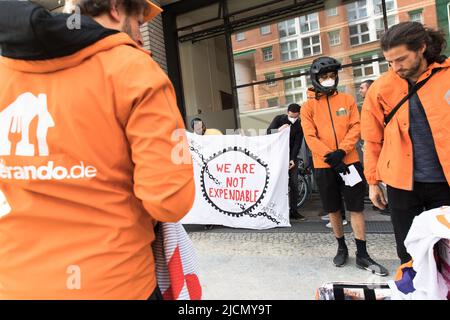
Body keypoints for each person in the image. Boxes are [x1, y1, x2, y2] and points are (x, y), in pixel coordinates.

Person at [0, 0, 195, 299]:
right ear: (116, 8)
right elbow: (169, 201)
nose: (141, 36)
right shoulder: (135, 69)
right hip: (115, 285)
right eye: (139, 21)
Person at [361, 21, 450, 264]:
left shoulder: (447, 76)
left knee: (447, 251)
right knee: (408, 251)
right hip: (402, 184)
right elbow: (371, 139)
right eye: (389, 61)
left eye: (401, 59)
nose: (395, 67)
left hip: (445, 183)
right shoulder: (380, 89)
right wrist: (373, 182)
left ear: (421, 47)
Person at [301, 56, 388, 275]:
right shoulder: (307, 106)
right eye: (324, 76)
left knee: (356, 207)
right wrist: (330, 156)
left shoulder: (348, 100)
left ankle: (362, 253)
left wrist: (342, 151)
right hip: (324, 165)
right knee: (333, 209)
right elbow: (310, 137)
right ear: (316, 78)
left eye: (332, 76)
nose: (329, 79)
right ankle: (341, 247)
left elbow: (356, 127)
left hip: (350, 162)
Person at [267, 103, 306, 221]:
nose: (293, 119)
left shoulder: (299, 125)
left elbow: (297, 144)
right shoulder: (279, 119)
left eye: (296, 116)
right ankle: (275, 211)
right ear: (287, 112)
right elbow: (268, 133)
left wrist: (293, 159)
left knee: (294, 185)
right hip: (277, 157)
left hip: (290, 158)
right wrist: (279, 130)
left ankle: (294, 211)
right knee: (277, 184)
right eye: (291, 116)